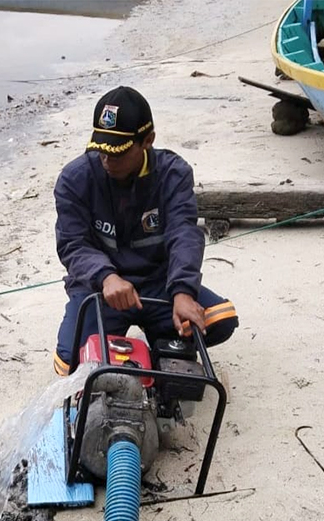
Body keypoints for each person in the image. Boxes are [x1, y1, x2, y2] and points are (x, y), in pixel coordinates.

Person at [53, 86, 238, 375]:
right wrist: (106, 276)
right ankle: (133, 345)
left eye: (118, 153)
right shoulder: (75, 179)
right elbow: (73, 245)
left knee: (220, 319)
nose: (107, 160)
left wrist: (182, 291)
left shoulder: (173, 174)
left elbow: (184, 234)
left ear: (147, 141)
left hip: (157, 282)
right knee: (68, 364)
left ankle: (158, 342)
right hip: (101, 289)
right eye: (102, 150)